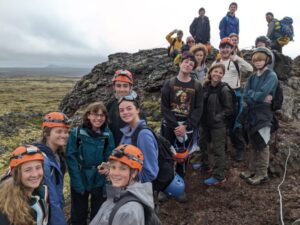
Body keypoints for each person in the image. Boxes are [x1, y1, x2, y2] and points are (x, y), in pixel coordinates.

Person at [161, 52, 203, 201]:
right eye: (185, 62)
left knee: (182, 156)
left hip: (187, 126)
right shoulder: (169, 83)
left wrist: (186, 125)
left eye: (191, 64)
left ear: (193, 68)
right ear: (180, 64)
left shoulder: (197, 85)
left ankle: (180, 186)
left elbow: (199, 108)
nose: (188, 65)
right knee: (167, 155)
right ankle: (165, 186)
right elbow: (164, 107)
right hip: (169, 126)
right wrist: (174, 126)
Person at [66, 102, 115, 225]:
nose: (98, 118)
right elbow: (71, 158)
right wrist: (77, 183)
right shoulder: (76, 133)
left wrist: (107, 169)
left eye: (102, 115)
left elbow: (110, 157)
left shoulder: (108, 135)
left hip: (99, 178)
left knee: (98, 213)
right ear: (88, 115)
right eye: (95, 114)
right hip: (80, 176)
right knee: (78, 214)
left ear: (105, 118)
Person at [90, 144, 155, 225]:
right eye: (113, 167)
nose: (115, 173)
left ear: (134, 173)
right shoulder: (117, 196)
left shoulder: (129, 211)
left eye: (122, 169)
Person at [240, 47, 278, 185]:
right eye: (255, 60)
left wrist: (254, 95)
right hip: (252, 112)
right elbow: (245, 94)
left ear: (267, 60)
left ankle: (262, 174)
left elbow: (261, 94)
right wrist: (255, 96)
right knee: (253, 142)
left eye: (261, 59)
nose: (258, 62)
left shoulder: (271, 75)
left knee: (262, 144)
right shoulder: (253, 76)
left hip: (263, 114)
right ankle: (252, 170)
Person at [215, 37, 253, 162]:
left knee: (235, 124)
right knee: (221, 124)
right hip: (219, 96)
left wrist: (237, 59)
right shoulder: (216, 62)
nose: (225, 50)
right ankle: (223, 150)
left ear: (232, 49)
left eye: (227, 47)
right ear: (219, 49)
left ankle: (240, 149)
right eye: (222, 47)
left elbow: (250, 69)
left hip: (234, 96)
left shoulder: (236, 61)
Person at [34, 112, 70, 225]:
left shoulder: (58, 156)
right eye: (59, 131)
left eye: (66, 131)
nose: (64, 135)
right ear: (46, 133)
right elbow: (51, 197)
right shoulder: (43, 160)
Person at [200, 63, 233, 185]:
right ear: (210, 72)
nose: (217, 74)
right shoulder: (205, 86)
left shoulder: (224, 89)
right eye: (215, 71)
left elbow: (229, 109)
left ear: (223, 75)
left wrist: (216, 118)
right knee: (202, 144)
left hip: (218, 125)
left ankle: (219, 176)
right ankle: (205, 165)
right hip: (205, 123)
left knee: (218, 149)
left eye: (220, 73)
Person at [0, 145, 48, 225]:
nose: (35, 174)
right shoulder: (5, 206)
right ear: (16, 173)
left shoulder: (40, 192)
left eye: (38, 167)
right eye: (28, 170)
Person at [118, 96, 159, 183]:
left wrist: (125, 178)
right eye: (121, 110)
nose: (125, 112)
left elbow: (151, 173)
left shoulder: (143, 135)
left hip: (136, 189)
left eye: (129, 108)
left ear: (137, 110)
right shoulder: (127, 132)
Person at [106, 69, 145, 145]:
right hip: (113, 150)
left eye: (125, 86)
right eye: (118, 85)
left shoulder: (136, 106)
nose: (122, 89)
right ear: (114, 87)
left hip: (130, 152)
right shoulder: (110, 105)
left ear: (130, 87)